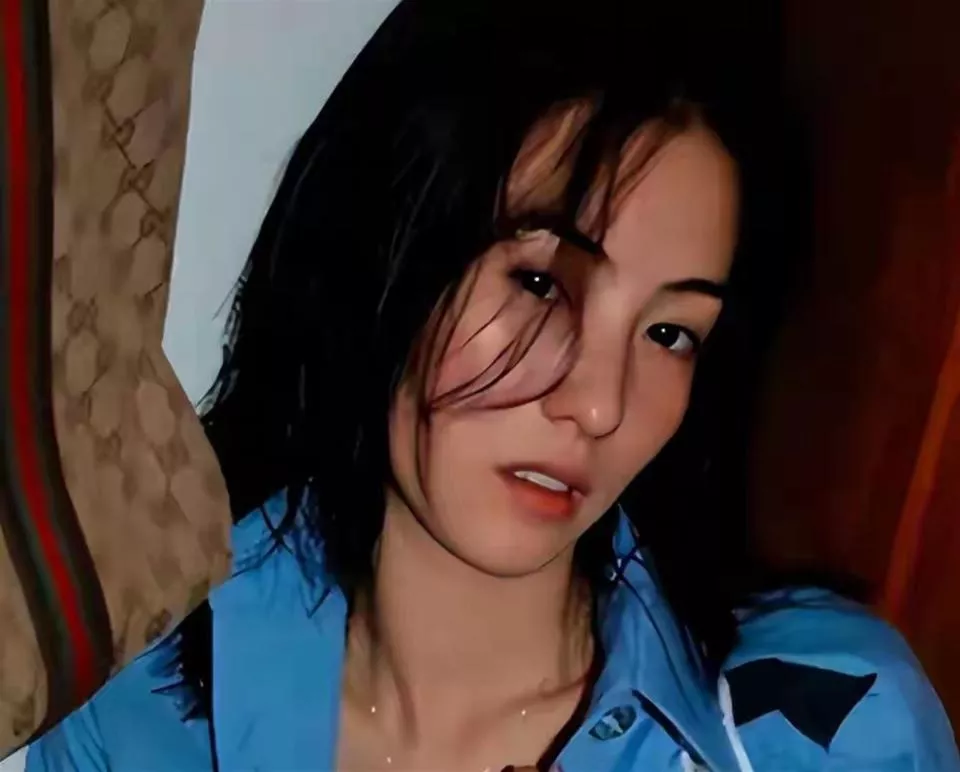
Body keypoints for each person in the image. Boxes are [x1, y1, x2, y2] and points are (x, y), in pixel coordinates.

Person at [27, 0, 958, 770]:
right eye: (542, 283)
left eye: (670, 332)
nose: (599, 405)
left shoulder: (833, 728)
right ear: (384, 245)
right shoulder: (135, 692)